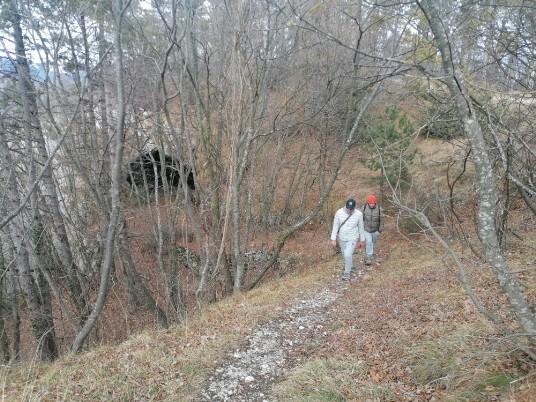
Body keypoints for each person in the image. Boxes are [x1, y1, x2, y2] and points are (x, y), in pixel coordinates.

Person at [330, 198, 365, 281]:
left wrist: (362, 240)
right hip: (342, 237)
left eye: (351, 209)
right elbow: (335, 226)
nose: (349, 210)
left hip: (352, 237)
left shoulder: (359, 214)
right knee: (344, 254)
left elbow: (361, 227)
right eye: (348, 208)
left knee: (347, 254)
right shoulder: (339, 213)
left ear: (354, 207)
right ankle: (347, 266)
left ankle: (347, 273)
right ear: (345, 206)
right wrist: (333, 238)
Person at [362, 195, 384, 265]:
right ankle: (368, 257)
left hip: (375, 230)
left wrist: (380, 230)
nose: (371, 204)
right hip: (366, 229)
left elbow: (382, 220)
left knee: (373, 243)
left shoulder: (379, 209)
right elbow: (360, 218)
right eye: (370, 203)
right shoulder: (364, 208)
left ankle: (370, 253)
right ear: (368, 203)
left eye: (373, 203)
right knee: (369, 242)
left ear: (375, 203)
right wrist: (361, 228)